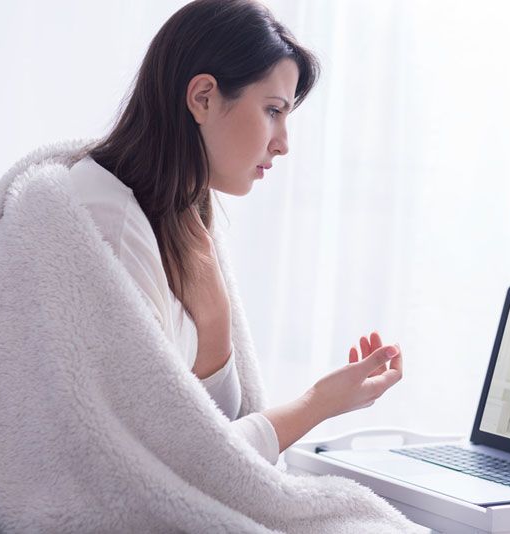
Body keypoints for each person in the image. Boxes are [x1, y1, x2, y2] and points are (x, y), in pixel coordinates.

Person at [66, 0, 404, 464]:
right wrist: (320, 404)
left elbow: (208, 427)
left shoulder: (181, 218)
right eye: (272, 111)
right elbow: (173, 466)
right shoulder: (111, 225)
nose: (283, 143)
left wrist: (214, 318)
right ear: (203, 97)